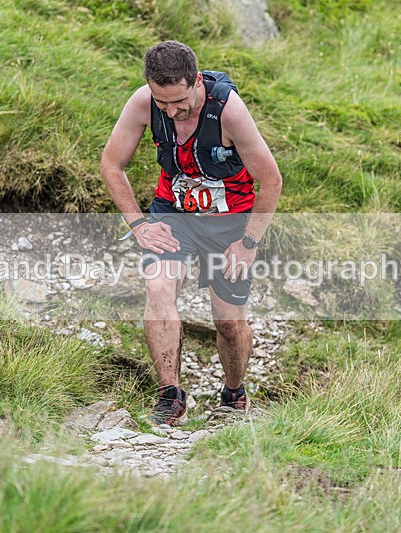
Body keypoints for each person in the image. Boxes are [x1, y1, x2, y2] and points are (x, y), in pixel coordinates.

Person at [100, 41, 282, 426]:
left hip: (229, 222)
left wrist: (248, 243)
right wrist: (138, 224)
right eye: (161, 102)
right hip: (174, 214)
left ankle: (233, 393)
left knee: (229, 324)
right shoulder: (142, 103)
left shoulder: (228, 111)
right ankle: (170, 396)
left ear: (197, 81)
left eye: (179, 101)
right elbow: (112, 164)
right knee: (159, 288)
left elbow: (271, 180)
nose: (170, 111)